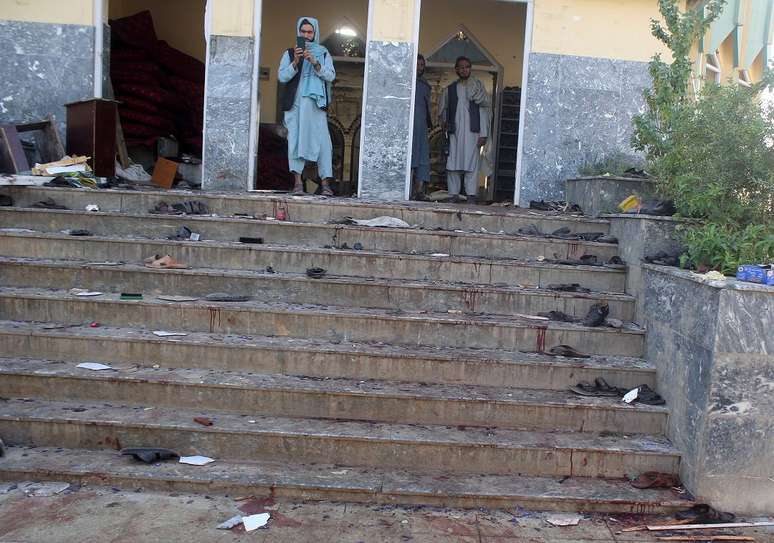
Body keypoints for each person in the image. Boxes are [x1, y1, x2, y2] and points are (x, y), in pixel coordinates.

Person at [278, 17, 336, 196]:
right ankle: (297, 184)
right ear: (298, 32)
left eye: (309, 32)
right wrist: (295, 61)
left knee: (323, 143)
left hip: (315, 106)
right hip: (295, 107)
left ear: (315, 33)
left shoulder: (323, 53)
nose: (306, 35)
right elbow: (282, 77)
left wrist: (315, 62)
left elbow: (331, 76)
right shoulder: (289, 53)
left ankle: (325, 184)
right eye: (302, 32)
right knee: (295, 142)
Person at [439, 56, 490, 205]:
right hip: (454, 132)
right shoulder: (449, 89)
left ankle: (471, 195)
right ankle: (453, 194)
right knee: (452, 163)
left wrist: (484, 134)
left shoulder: (477, 88)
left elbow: (483, 113)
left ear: (470, 68)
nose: (464, 69)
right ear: (456, 69)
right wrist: (443, 123)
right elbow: (443, 110)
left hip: (473, 133)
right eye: (461, 67)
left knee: (471, 165)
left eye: (467, 66)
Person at [411, 54, 432, 201]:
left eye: (422, 65)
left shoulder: (425, 85)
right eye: (417, 64)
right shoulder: (406, 83)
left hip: (422, 126)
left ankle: (419, 191)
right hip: (408, 127)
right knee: (410, 158)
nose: (419, 68)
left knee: (422, 158)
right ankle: (407, 191)